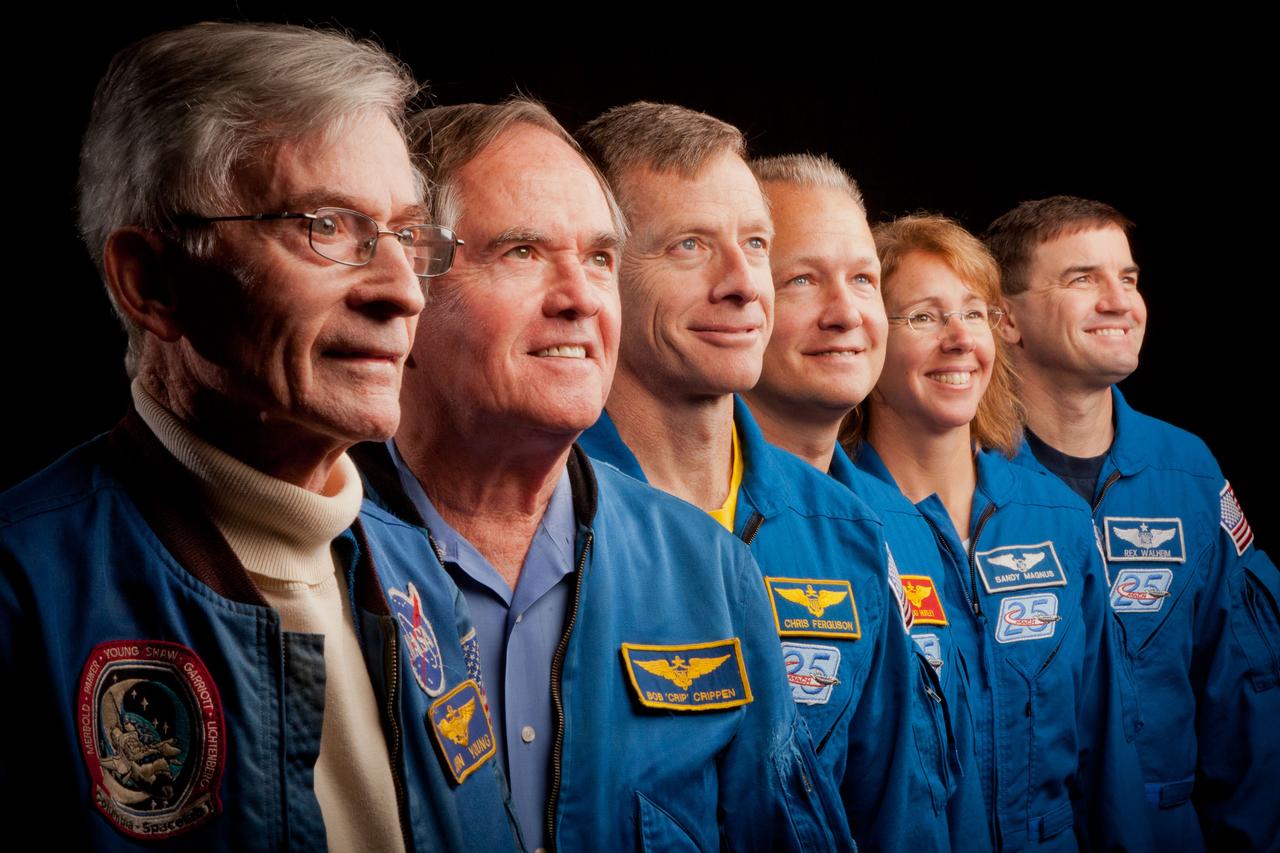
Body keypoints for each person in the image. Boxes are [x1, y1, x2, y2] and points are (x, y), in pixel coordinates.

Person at [0, 23, 521, 851]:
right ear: (152, 281)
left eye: (406, 235)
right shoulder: (21, 589)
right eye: (328, 227)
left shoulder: (417, 565)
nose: (403, 294)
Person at [352, 98, 851, 852]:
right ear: (408, 284)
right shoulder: (318, 553)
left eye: (599, 259)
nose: (581, 297)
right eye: (522, 252)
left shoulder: (710, 570)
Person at [574, 103, 931, 851]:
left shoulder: (843, 531)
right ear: (601, 267)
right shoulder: (542, 524)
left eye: (758, 244)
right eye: (690, 245)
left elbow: (899, 816)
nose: (744, 283)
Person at [847, 214, 1153, 851]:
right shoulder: (839, 526)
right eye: (926, 317)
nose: (960, 339)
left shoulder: (1056, 517)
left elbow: (1109, 760)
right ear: (870, 338)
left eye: (975, 313)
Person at [986, 196, 1280, 851]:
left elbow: (1252, 694)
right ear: (1006, 318)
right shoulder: (959, 478)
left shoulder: (1188, 470)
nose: (1119, 300)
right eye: (1082, 278)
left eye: (1129, 277)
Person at [743, 153, 990, 850]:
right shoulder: (692, 526)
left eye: (862, 280)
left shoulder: (907, 528)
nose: (847, 312)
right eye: (802, 279)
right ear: (740, 296)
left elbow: (949, 792)